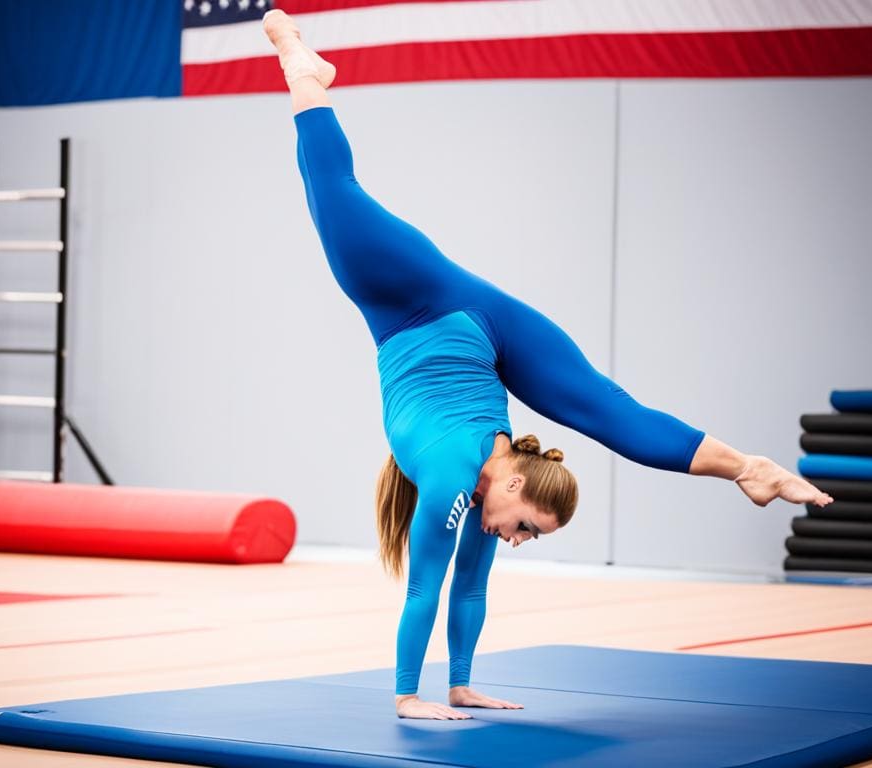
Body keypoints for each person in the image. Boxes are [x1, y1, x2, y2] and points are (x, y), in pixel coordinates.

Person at [261, 9, 833, 721]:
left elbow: (464, 588)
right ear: (512, 478)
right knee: (332, 194)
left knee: (602, 405)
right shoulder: (455, 479)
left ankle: (747, 467)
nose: (519, 539)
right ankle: (302, 68)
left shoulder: (476, 483)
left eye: (527, 534)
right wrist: (409, 697)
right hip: (422, 299)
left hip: (451, 320)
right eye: (529, 526)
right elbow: (424, 590)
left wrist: (461, 687)